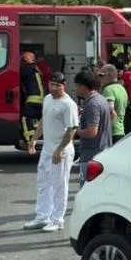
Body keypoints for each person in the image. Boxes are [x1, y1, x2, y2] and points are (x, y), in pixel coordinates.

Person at [24, 72, 80, 232]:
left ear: (64, 85)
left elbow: (71, 130)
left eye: (57, 85)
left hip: (61, 152)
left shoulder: (68, 105)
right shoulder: (48, 99)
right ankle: (42, 217)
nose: (54, 88)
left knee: (59, 185)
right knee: (43, 183)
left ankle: (57, 220)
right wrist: (34, 138)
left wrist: (59, 150)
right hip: (47, 150)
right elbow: (43, 120)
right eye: (51, 84)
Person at [73, 69, 112, 187]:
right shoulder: (101, 99)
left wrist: (75, 130)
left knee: (86, 192)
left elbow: (92, 132)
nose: (76, 89)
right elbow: (113, 115)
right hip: (101, 152)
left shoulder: (93, 104)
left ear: (84, 86)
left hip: (92, 156)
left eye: (77, 86)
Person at [19, 51, 45, 148]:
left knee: (25, 117)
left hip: (33, 100)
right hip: (41, 100)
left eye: (23, 57)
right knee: (43, 119)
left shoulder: (25, 68)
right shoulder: (35, 69)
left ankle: (29, 140)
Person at [98, 64, 128, 144]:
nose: (99, 78)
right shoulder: (122, 88)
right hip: (120, 132)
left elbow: (111, 112)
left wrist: (102, 131)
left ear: (109, 74)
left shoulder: (108, 89)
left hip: (111, 133)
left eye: (101, 75)